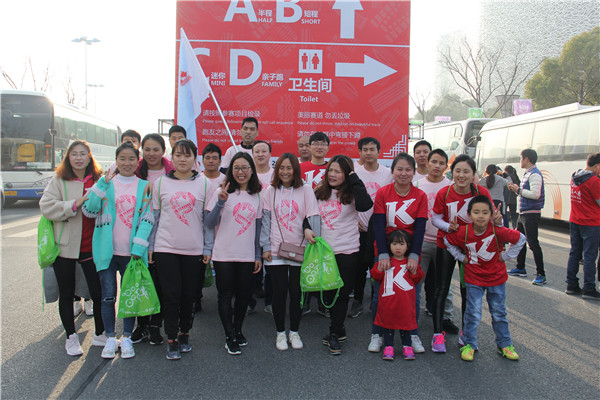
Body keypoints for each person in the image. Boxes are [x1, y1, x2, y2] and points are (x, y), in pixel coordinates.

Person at [82, 142, 154, 359]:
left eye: (132, 158)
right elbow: (90, 210)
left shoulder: (144, 186)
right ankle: (110, 338)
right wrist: (101, 184)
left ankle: (128, 338)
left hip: (131, 253)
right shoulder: (105, 184)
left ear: (137, 161)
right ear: (116, 160)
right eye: (122, 158)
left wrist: (138, 246)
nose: (127, 163)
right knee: (107, 297)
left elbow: (148, 218)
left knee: (129, 296)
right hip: (107, 251)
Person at [39, 140, 106, 356]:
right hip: (65, 246)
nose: (78, 158)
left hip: (91, 246)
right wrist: (73, 204)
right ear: (68, 157)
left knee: (98, 292)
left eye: (83, 154)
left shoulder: (98, 180)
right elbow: (46, 206)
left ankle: (101, 332)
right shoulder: (59, 180)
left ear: (89, 157)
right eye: (74, 154)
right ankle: (71, 336)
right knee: (67, 293)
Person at [430, 154, 501, 353]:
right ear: (452, 173)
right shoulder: (444, 193)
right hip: (447, 244)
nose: (461, 175)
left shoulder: (481, 192)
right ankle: (437, 335)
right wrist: (448, 226)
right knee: (441, 288)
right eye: (458, 171)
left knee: (467, 290)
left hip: (472, 248)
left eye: (466, 171)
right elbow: (435, 218)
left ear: (473, 174)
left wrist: (497, 220)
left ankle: (466, 335)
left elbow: (492, 217)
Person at [443, 195, 526, 362]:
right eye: (476, 212)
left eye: (485, 212)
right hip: (473, 280)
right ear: (469, 214)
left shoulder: (497, 230)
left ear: (491, 214)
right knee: (472, 314)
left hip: (497, 279)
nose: (480, 216)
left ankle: (504, 344)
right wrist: (460, 257)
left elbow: (520, 238)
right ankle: (469, 344)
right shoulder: (463, 231)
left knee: (499, 313)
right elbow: (447, 240)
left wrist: (507, 256)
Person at [149, 139, 209, 360]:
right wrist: (151, 246)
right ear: (172, 157)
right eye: (178, 155)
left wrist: (207, 248)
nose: (182, 159)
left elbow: (207, 221)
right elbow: (154, 218)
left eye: (187, 155)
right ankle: (172, 337)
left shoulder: (204, 184)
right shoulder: (160, 184)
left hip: (194, 249)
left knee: (189, 296)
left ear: (195, 158)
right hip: (165, 248)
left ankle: (185, 333)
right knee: (171, 296)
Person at [310, 155, 373, 354]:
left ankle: (335, 333)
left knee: (341, 294)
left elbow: (365, 205)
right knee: (328, 292)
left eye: (338, 171)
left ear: (347, 174)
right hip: (323, 252)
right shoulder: (319, 191)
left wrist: (354, 179)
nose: (333, 175)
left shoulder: (354, 192)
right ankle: (339, 327)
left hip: (347, 250)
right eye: (331, 170)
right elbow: (308, 216)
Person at [205, 152, 263, 355]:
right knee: (225, 295)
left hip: (246, 255)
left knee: (244, 296)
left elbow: (257, 228)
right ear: (231, 170)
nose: (241, 172)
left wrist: (257, 255)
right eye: (236, 168)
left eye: (245, 168)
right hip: (224, 255)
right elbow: (209, 223)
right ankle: (229, 335)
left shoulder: (257, 195)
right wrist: (221, 202)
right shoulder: (220, 192)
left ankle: (238, 329)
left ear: (251, 171)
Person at [260, 153, 319, 350]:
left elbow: (312, 217)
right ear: (277, 170)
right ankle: (279, 333)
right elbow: (266, 220)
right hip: (276, 249)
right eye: (281, 168)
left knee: (297, 292)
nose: (285, 172)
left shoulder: (306, 190)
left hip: (301, 248)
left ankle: (294, 331)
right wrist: (265, 247)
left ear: (296, 169)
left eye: (289, 167)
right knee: (279, 292)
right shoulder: (270, 191)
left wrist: (313, 235)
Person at [369, 153, 427, 354]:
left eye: (408, 169)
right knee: (380, 294)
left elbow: (420, 227)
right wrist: (383, 253)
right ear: (392, 171)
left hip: (409, 253)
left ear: (414, 172)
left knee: (413, 296)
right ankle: (376, 334)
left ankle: (412, 334)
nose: (404, 173)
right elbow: (378, 223)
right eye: (399, 169)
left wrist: (414, 255)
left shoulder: (420, 196)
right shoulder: (383, 193)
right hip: (386, 251)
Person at [130, 134, 174, 345]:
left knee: (159, 284)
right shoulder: (135, 172)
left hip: (164, 235)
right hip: (137, 235)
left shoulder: (173, 173)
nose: (151, 153)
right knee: (140, 282)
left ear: (163, 151)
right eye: (147, 149)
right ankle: (142, 325)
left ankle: (156, 325)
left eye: (156, 149)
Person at [414, 149, 457, 350]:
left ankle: (446, 318)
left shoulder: (451, 187)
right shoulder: (417, 185)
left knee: (444, 284)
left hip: (445, 243)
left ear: (446, 166)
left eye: (442, 163)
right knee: (416, 282)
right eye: (434, 162)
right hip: (421, 241)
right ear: (428, 164)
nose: (437, 166)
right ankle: (411, 318)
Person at [348, 137, 392, 319]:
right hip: (357, 228)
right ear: (359, 152)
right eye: (364, 149)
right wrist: (353, 220)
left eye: (372, 149)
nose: (368, 153)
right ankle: (357, 301)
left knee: (378, 267)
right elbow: (348, 198)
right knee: (358, 268)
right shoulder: (354, 172)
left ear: (378, 152)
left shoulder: (387, 173)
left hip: (379, 229)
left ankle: (377, 301)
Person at [370, 230, 424, 361]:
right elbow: (375, 276)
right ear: (389, 245)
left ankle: (407, 346)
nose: (398, 247)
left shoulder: (410, 263)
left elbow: (418, 278)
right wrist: (379, 269)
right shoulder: (384, 262)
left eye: (401, 244)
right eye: (394, 244)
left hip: (405, 302)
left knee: (405, 324)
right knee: (388, 323)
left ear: (408, 246)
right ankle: (389, 346)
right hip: (388, 302)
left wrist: (415, 270)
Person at [507, 149, 547, 285]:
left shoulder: (535, 174)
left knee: (533, 243)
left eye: (521, 158)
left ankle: (541, 274)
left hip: (531, 213)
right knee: (520, 240)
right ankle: (520, 267)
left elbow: (535, 194)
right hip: (524, 212)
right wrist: (516, 189)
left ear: (527, 159)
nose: (520, 161)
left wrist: (518, 190)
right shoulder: (528, 173)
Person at [565, 153, 600, 300]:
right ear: (597, 166)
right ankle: (589, 288)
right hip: (591, 223)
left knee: (574, 253)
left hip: (575, 220)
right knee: (590, 256)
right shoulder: (593, 181)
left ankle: (571, 285)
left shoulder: (575, 177)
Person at [196, 143, 225, 311]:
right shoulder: (197, 179)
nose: (211, 161)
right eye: (208, 157)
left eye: (215, 158)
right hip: (201, 227)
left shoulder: (226, 180)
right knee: (200, 263)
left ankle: (224, 298)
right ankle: (197, 296)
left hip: (221, 228)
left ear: (220, 161)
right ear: (202, 160)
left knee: (221, 265)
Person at [249, 140, 274, 313]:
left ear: (270, 154)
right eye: (256, 151)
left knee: (271, 266)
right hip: (249, 224)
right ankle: (248, 302)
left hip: (271, 225)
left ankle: (271, 302)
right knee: (250, 264)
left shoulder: (276, 175)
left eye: (263, 151)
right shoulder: (247, 174)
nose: (260, 154)